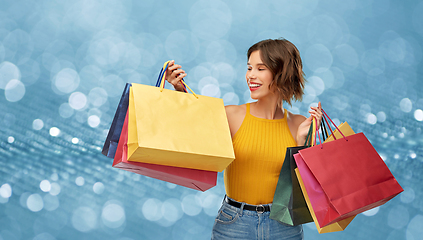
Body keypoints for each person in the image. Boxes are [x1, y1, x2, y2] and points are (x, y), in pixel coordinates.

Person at [166, 38, 322, 240]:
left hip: (284, 226)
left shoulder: (299, 124)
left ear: (282, 73)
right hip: (235, 224)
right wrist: (179, 89)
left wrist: (303, 142)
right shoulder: (231, 115)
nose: (251, 76)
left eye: (260, 68)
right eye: (249, 68)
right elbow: (193, 130)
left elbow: (307, 194)